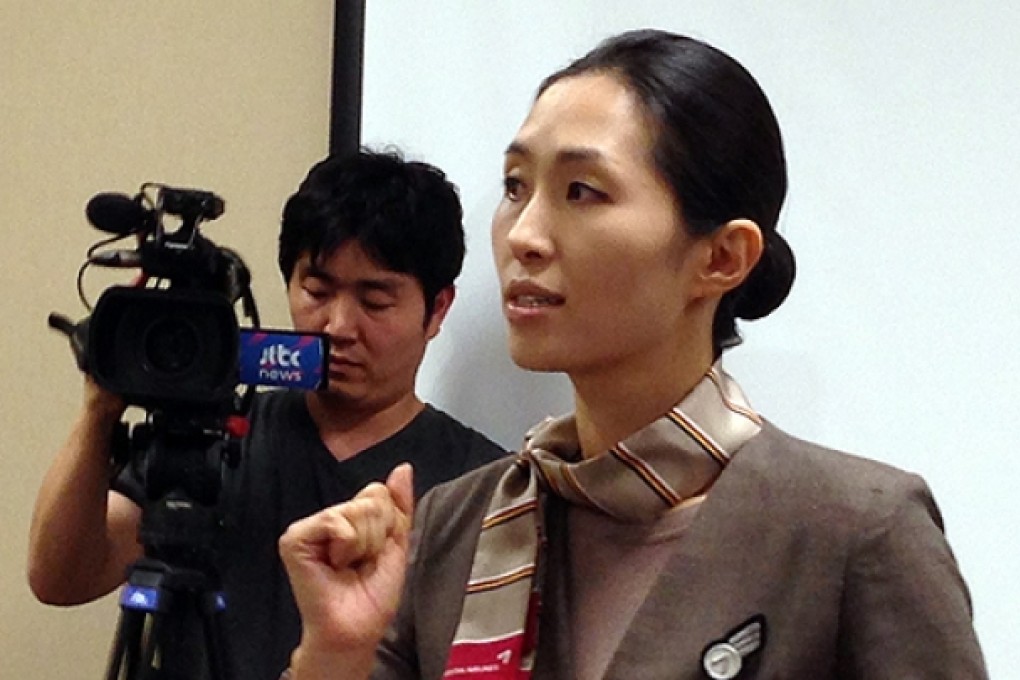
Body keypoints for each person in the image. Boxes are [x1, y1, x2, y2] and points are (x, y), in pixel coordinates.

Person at [276, 30, 989, 680]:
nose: (523, 234)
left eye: (582, 191)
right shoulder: (457, 523)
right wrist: (338, 651)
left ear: (722, 257)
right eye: (516, 187)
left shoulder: (853, 528)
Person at [27, 149, 506, 680]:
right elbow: (60, 579)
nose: (337, 326)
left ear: (437, 309)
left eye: (375, 301)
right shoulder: (212, 432)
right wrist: (100, 407)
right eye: (317, 291)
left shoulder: (483, 484)